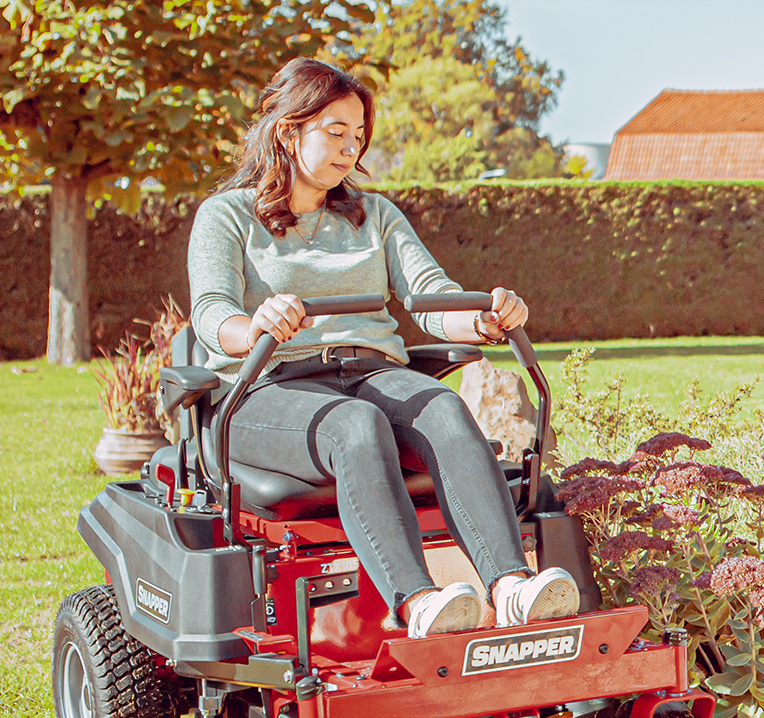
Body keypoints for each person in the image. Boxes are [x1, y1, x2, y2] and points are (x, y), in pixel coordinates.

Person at [186, 58, 578, 638]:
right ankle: (417, 602)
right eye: (336, 133)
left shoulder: (376, 217)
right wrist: (257, 326)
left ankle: (511, 586)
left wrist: (487, 318)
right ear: (289, 131)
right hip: (266, 387)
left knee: (444, 407)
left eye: (359, 137)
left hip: (368, 370)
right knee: (356, 424)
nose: (351, 149)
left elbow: (432, 297)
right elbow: (210, 312)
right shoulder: (226, 217)